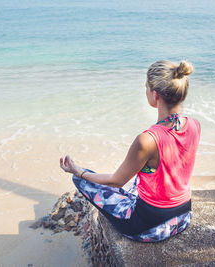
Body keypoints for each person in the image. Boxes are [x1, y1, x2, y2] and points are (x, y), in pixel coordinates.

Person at [60, 60, 200, 242]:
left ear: (155, 94)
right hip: (182, 218)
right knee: (142, 175)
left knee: (81, 180)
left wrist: (78, 170)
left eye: (146, 88)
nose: (145, 92)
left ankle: (79, 176)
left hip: (149, 228)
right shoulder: (194, 125)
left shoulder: (148, 140)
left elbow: (116, 181)